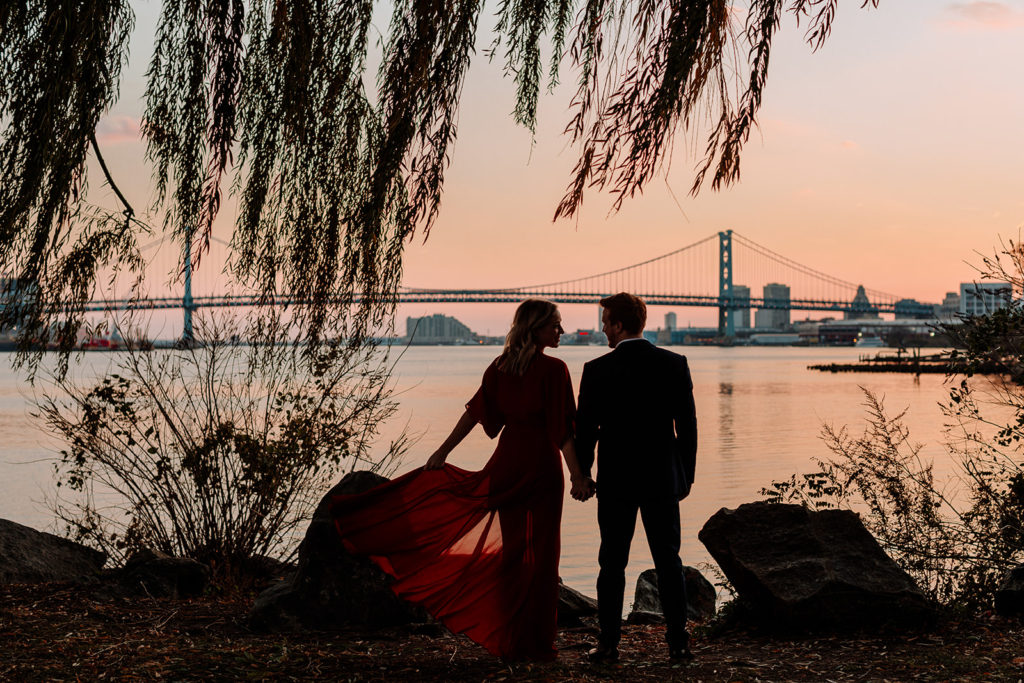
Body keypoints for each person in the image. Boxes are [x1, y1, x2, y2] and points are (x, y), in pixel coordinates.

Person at [330, 299, 594, 662]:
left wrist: (443, 451)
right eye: (555, 326)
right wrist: (577, 476)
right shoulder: (554, 370)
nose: (561, 332)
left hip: (508, 462)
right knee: (543, 557)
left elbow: (475, 415)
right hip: (540, 468)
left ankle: (514, 640)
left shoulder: (500, 367)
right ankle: (534, 644)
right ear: (535, 329)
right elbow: (563, 431)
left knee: (513, 556)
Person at [575, 292, 698, 663]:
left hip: (617, 480)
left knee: (611, 564)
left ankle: (608, 643)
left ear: (618, 325)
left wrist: (583, 473)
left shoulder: (596, 370)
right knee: (669, 562)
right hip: (662, 478)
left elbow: (586, 431)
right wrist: (685, 475)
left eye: (605, 323)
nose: (602, 330)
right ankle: (678, 642)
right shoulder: (674, 364)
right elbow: (687, 426)